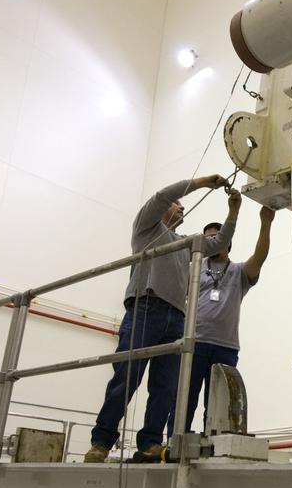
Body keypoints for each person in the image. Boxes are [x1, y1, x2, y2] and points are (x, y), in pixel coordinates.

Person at [84, 176, 236, 463]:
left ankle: (150, 442)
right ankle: (101, 441)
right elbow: (162, 195)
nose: (181, 207)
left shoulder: (184, 243)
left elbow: (220, 243)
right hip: (146, 308)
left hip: (177, 318)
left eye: (181, 205)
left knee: (165, 387)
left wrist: (233, 210)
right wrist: (204, 182)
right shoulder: (146, 229)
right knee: (126, 379)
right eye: (177, 204)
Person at [171, 200, 276, 434]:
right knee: (184, 399)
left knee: (218, 403)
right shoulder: (193, 269)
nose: (211, 242)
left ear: (227, 240)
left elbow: (259, 257)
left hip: (225, 347)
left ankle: (212, 443)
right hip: (193, 343)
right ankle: (174, 443)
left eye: (216, 237)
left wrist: (265, 224)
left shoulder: (239, 272)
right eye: (207, 238)